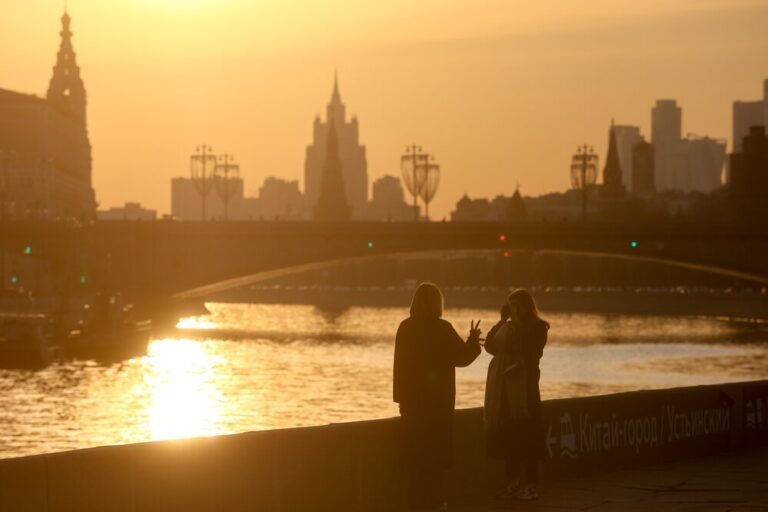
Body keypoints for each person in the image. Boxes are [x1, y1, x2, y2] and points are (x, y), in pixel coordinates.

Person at [393, 282, 482, 510]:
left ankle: (413, 502)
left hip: (412, 403)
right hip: (438, 404)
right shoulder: (442, 328)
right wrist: (473, 340)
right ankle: (435, 502)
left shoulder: (405, 327)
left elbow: (399, 366)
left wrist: (401, 400)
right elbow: (462, 358)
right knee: (435, 456)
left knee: (414, 456)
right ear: (437, 303)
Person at [484, 289, 549, 501]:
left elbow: (529, 349)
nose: (512, 311)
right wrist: (502, 321)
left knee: (529, 440)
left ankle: (530, 484)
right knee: (509, 440)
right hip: (506, 391)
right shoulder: (508, 327)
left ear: (525, 307)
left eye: (515, 307)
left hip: (526, 393)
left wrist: (517, 323)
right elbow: (490, 346)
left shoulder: (538, 328)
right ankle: (512, 482)